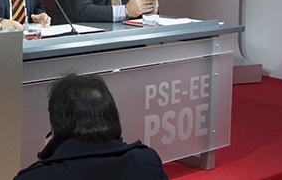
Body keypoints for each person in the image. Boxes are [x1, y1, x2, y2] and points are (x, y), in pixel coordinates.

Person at [14, 73, 168, 180]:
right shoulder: (148, 163)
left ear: (56, 128)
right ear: (111, 116)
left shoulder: (34, 176)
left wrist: (46, 161)